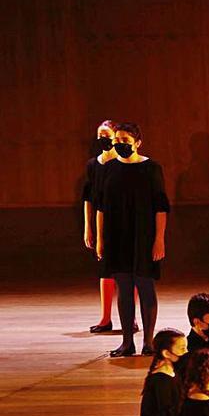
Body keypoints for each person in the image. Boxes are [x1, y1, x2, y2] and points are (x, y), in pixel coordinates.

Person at [95, 122, 169, 357]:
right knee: (123, 288)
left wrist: (159, 239)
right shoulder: (109, 168)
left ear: (137, 143)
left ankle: (148, 342)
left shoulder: (151, 168)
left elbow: (160, 207)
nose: (119, 145)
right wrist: (100, 238)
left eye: (125, 141)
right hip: (117, 236)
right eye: (117, 140)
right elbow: (101, 207)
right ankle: (127, 342)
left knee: (145, 285)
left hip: (144, 235)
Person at [83, 120, 131, 333]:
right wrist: (88, 227)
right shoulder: (93, 164)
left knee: (127, 271)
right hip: (102, 221)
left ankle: (130, 317)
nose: (103, 138)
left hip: (122, 220)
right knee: (105, 270)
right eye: (100, 134)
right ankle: (105, 318)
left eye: (107, 134)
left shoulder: (122, 163)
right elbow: (89, 197)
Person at [139, 329, 188, 416]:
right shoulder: (161, 380)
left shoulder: (172, 371)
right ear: (166, 353)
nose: (186, 353)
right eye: (182, 349)